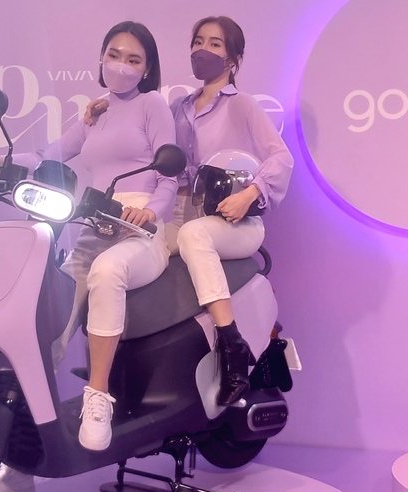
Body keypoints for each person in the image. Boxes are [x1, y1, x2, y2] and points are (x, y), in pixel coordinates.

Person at [0, 20, 176, 492]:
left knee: (107, 273)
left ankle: (98, 399)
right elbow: (48, 154)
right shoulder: (96, 113)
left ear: (147, 69)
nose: (122, 65)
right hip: (95, 228)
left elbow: (170, 180)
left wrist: (149, 212)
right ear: (101, 58)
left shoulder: (152, 105)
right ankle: (15, 465)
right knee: (48, 322)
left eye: (134, 59)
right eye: (114, 54)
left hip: (141, 232)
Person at [86, 15, 293, 406]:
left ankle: (233, 349)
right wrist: (104, 109)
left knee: (194, 235)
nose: (203, 50)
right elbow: (140, 122)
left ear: (234, 58)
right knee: (125, 251)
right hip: (183, 218)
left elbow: (281, 157)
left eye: (215, 44)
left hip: (235, 221)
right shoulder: (177, 107)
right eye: (198, 41)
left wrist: (250, 193)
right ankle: (120, 366)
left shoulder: (242, 105)